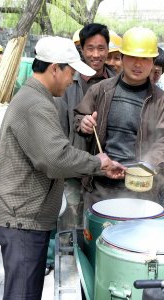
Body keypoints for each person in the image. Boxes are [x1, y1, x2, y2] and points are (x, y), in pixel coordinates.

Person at [0, 36, 125, 300]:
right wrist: (99, 163)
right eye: (71, 72)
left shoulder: (36, 96)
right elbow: (55, 159)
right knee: (22, 294)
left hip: (22, 215)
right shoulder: (36, 104)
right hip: (21, 219)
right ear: (54, 68)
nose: (72, 79)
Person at [74, 27, 164, 211]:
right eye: (132, 57)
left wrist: (145, 166)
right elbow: (80, 116)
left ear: (153, 62)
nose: (138, 64)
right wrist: (83, 123)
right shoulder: (100, 90)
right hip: (100, 187)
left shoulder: (163, 102)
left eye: (145, 59)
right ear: (122, 58)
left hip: (141, 191)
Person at [56, 23, 116, 232]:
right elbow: (59, 127)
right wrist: (81, 124)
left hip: (105, 175)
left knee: (102, 229)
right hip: (73, 171)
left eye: (101, 48)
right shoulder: (67, 81)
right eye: (90, 48)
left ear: (108, 49)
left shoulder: (118, 82)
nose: (96, 54)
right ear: (81, 49)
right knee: (70, 230)